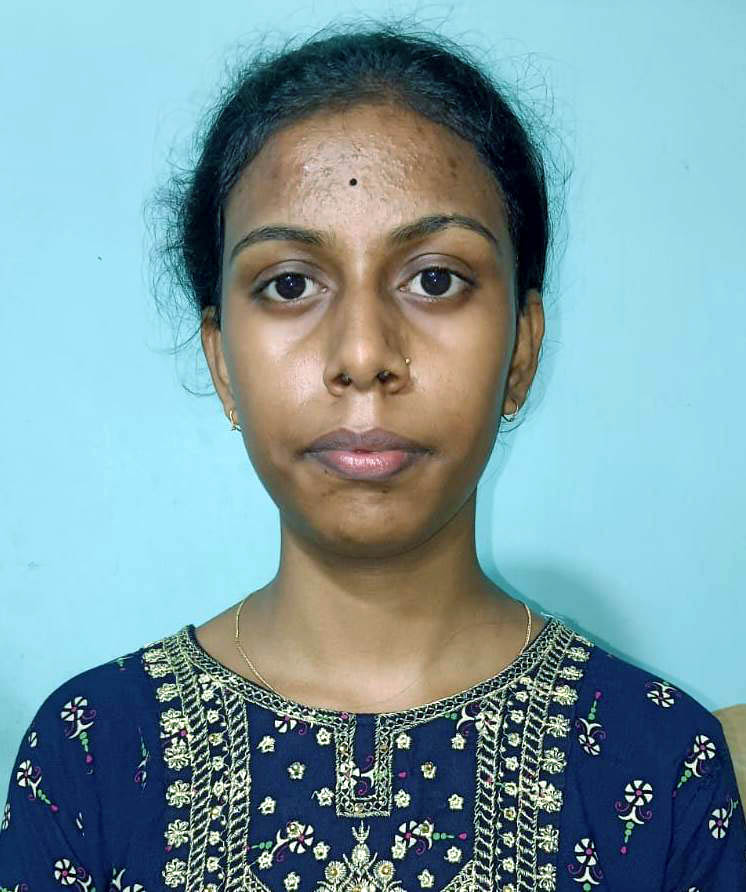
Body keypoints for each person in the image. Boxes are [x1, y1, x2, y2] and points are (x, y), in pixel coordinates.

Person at [1, 24, 744, 892]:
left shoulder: (659, 767)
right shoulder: (91, 756)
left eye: (435, 279)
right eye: (289, 284)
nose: (362, 354)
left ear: (521, 351)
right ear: (221, 362)